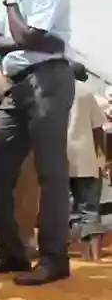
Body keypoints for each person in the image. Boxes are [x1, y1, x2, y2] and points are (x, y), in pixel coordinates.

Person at [0, 0, 74, 285]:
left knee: (51, 172)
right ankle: (12, 253)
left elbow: (26, 37)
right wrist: (33, 39)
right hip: (16, 86)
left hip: (49, 81)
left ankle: (54, 259)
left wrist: (12, 8)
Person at [67, 62, 106, 259]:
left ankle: (78, 255)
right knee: (90, 207)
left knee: (70, 210)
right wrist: (101, 156)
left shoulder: (55, 91)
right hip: (86, 157)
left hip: (60, 158)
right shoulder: (86, 92)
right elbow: (98, 127)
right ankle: (95, 255)